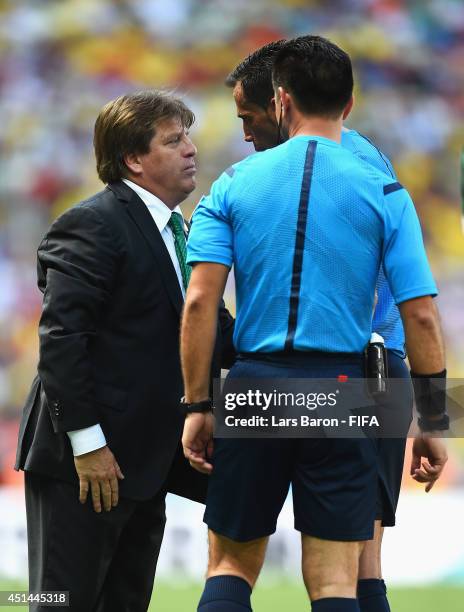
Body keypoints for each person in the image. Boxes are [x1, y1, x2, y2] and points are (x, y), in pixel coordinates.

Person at [181, 36, 448, 612]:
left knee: (228, 566)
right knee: (336, 581)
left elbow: (200, 303)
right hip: (346, 389)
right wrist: (434, 417)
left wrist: (198, 403)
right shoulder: (384, 187)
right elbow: (420, 312)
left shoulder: (232, 183)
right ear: (348, 106)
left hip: (256, 384)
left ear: (280, 101)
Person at [15, 90, 235, 612]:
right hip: (85, 462)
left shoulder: (179, 232)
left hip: (144, 462)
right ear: (134, 159)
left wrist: (305, 344)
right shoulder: (93, 223)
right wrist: (87, 445)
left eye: (188, 136)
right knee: (60, 603)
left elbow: (212, 333)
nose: (191, 149)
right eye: (173, 139)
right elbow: (63, 340)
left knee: (126, 602)